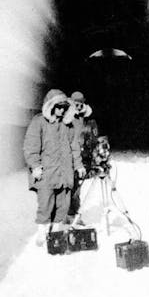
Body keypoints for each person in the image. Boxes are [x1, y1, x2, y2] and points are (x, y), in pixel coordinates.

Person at [23, 89, 86, 245]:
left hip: (65, 172)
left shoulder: (68, 125)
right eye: (58, 106)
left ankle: (57, 234)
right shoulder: (39, 122)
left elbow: (74, 147)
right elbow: (31, 147)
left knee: (63, 205)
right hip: (46, 173)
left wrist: (78, 165)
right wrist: (35, 166)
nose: (61, 110)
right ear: (50, 106)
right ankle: (42, 234)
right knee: (45, 204)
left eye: (64, 107)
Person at [66, 91, 95, 223]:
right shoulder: (67, 118)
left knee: (77, 187)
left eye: (80, 104)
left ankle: (74, 215)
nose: (78, 107)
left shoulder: (85, 119)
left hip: (80, 155)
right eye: (75, 104)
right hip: (68, 156)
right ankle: (68, 215)